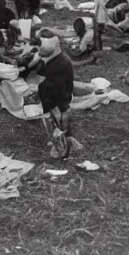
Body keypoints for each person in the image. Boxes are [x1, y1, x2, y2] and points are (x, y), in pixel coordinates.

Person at [33, 31, 81, 159]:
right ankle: (65, 141)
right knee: (56, 122)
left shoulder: (60, 63)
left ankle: (62, 150)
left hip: (57, 100)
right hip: (51, 98)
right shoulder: (53, 58)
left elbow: (58, 87)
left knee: (58, 123)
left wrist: (39, 87)